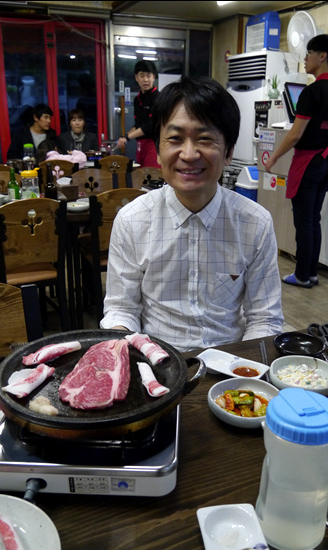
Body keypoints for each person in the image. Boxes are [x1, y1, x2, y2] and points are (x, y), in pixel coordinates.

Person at [101, 75, 283, 352]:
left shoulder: (255, 223)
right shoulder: (132, 220)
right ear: (158, 151)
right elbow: (122, 309)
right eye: (175, 138)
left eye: (205, 138)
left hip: (230, 362)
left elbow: (265, 318)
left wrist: (242, 367)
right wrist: (122, 349)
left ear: (229, 152)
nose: (188, 154)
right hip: (156, 359)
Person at [265, 34, 328, 288]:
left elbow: (295, 134)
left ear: (322, 56)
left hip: (307, 162)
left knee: (303, 221)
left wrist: (273, 158)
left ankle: (302, 275)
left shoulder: (311, 92)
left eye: (309, 53)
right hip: (327, 163)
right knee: (314, 219)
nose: (305, 58)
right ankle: (312, 273)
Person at [116, 60, 160, 168]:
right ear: (136, 77)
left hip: (154, 145)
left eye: (148, 76)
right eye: (142, 76)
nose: (145, 80)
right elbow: (138, 125)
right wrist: (124, 136)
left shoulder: (158, 98)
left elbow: (150, 125)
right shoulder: (137, 99)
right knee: (140, 175)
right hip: (140, 145)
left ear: (153, 77)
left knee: (151, 175)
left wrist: (127, 138)